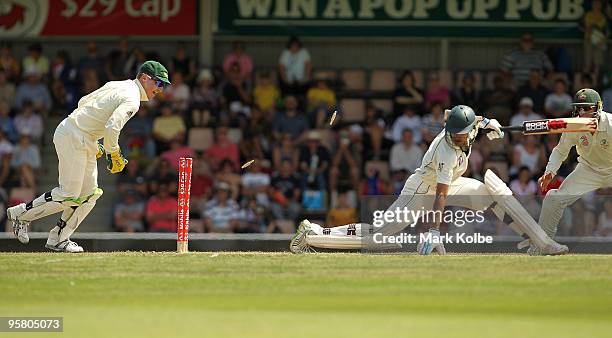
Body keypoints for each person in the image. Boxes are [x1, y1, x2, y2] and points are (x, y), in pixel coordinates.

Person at [290, 105, 568, 256]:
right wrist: (434, 230)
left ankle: (533, 241)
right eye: (456, 134)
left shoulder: (465, 127)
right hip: (422, 191)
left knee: (489, 194)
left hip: (453, 182)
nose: (459, 138)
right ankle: (314, 234)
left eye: (464, 133)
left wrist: (488, 123)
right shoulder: (446, 149)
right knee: (378, 237)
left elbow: (465, 117)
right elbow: (441, 197)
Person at [6, 60, 170, 252]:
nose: (160, 89)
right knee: (69, 194)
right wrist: (113, 153)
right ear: (144, 78)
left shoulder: (118, 84)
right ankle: (21, 214)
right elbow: (112, 126)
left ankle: (58, 238)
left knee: (89, 195)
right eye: (158, 83)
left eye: (163, 85)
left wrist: (92, 138)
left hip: (81, 134)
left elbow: (83, 101)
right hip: (74, 136)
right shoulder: (132, 99)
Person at [534, 88, 612, 254]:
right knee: (553, 199)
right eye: (579, 108)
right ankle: (542, 246)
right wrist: (550, 172)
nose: (582, 113)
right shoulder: (574, 125)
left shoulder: (611, 124)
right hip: (588, 169)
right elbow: (560, 150)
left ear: (598, 107)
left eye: (586, 108)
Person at [582, 0, 608, 80]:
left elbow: (606, 31)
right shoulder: (588, 15)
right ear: (592, 5)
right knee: (587, 62)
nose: (596, 5)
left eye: (598, 4)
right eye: (595, 4)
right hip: (589, 40)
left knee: (597, 63)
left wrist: (602, 41)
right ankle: (585, 80)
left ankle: (595, 81)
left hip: (599, 42)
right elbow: (584, 27)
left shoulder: (603, 17)